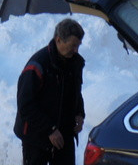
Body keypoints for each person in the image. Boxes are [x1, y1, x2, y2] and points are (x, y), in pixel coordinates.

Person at [14, 18, 86, 165]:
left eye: (78, 46)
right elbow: (25, 106)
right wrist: (50, 129)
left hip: (64, 134)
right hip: (36, 137)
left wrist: (79, 113)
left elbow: (75, 93)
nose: (76, 50)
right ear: (59, 40)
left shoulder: (75, 63)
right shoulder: (38, 65)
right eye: (72, 45)